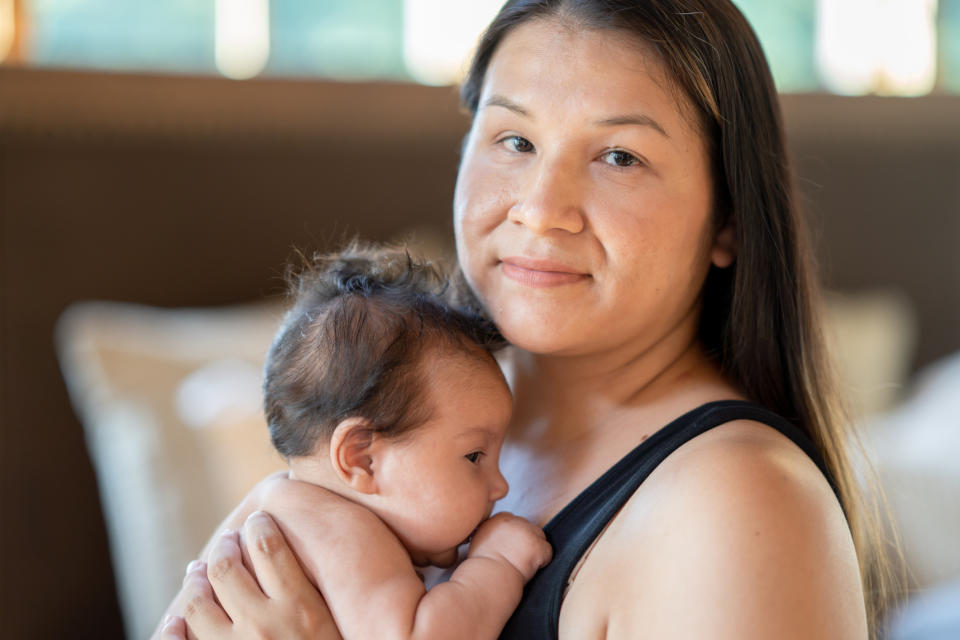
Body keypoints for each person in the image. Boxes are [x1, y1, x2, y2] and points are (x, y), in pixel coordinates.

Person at [158, 1, 898, 638]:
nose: (541, 207)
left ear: (728, 220)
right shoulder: (404, 428)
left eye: (618, 156)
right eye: (515, 141)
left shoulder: (737, 505)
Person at [160, 243, 552, 639]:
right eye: (474, 456)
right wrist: (498, 563)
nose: (501, 487)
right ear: (362, 458)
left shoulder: (275, 503)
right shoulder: (341, 531)